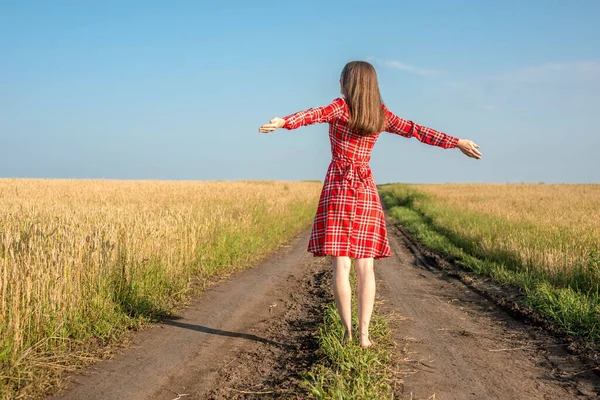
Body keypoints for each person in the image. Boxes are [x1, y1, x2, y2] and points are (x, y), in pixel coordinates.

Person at [259, 61, 482, 348]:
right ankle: (364, 336)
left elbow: (313, 115)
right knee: (366, 267)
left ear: (347, 83)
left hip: (339, 186)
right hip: (365, 188)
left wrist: (284, 122)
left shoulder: (340, 107)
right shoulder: (380, 114)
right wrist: (456, 141)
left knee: (341, 264)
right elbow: (416, 130)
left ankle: (347, 332)